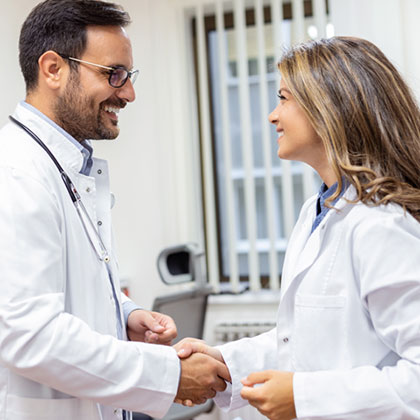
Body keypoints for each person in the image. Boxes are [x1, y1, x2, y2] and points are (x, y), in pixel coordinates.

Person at [0, 1, 228, 420]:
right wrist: (168, 376)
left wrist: (123, 315)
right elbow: (28, 334)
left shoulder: (64, 165)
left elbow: (61, 291)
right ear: (53, 69)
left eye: (129, 76)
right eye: (114, 74)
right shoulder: (15, 172)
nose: (129, 93)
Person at [177, 36, 420, 419]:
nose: (273, 116)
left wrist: (304, 396)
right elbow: (305, 340)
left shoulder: (381, 224)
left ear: (330, 109)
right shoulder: (317, 210)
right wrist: (223, 362)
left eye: (284, 99)